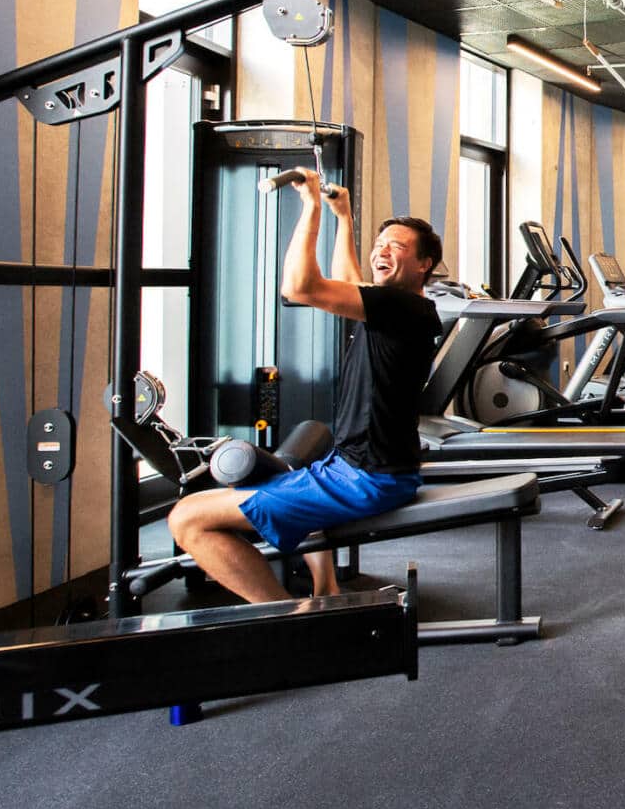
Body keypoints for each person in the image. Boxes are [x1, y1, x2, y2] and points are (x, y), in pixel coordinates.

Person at [168, 170, 443, 602]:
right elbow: (351, 284)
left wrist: (312, 207)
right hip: (360, 468)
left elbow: (299, 287)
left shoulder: (402, 306)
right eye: (380, 244)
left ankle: (285, 623)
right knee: (273, 480)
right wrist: (345, 219)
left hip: (364, 479)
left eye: (397, 247)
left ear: (424, 264)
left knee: (186, 518)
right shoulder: (402, 306)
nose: (382, 251)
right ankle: (326, 589)